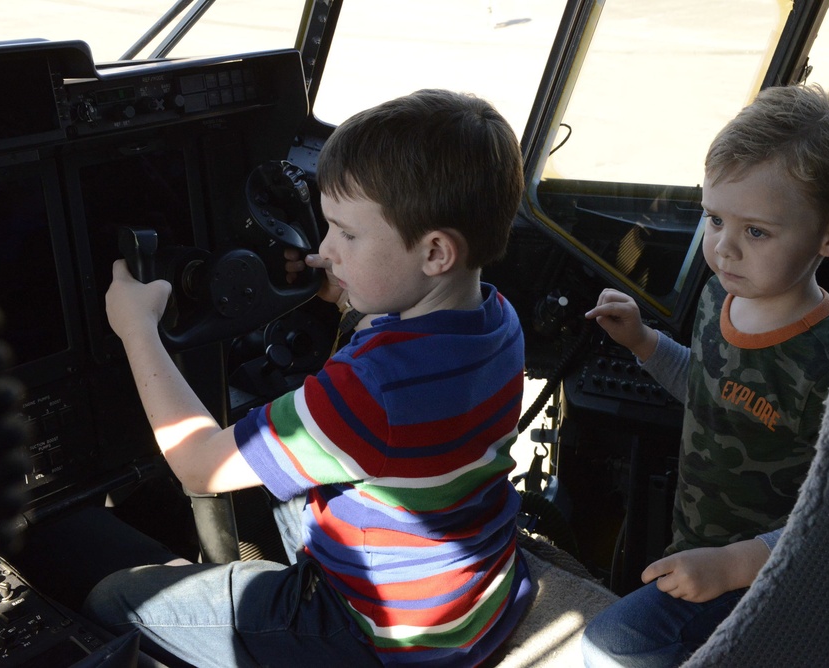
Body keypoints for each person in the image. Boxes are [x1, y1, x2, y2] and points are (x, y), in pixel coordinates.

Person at [87, 88, 533, 667]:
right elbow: (396, 341)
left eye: (346, 234)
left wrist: (137, 328)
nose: (325, 250)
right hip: (472, 593)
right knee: (283, 475)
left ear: (436, 252)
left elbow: (199, 464)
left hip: (375, 635)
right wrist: (346, 288)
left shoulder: (369, 391)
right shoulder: (497, 318)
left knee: (113, 597)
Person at [580, 83, 829, 667]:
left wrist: (733, 565)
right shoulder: (720, 297)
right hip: (695, 550)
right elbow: (707, 388)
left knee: (608, 650)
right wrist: (642, 341)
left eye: (756, 231)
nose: (724, 248)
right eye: (714, 218)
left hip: (768, 577)